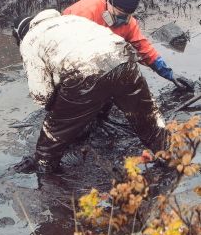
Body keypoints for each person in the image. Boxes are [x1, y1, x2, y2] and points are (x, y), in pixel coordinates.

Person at [12, 9, 167, 174]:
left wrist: (60, 105)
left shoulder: (30, 40)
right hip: (123, 58)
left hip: (85, 72)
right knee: (148, 117)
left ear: (20, 34)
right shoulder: (73, 19)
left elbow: (42, 96)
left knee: (53, 133)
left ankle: (46, 172)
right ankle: (172, 156)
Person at [62, 0, 193, 90]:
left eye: (126, 16)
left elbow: (145, 49)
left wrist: (169, 74)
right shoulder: (83, 12)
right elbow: (64, 47)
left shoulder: (128, 23)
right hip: (68, 49)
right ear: (109, 3)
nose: (122, 19)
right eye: (119, 14)